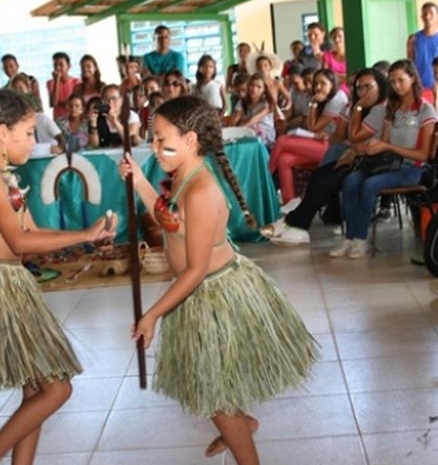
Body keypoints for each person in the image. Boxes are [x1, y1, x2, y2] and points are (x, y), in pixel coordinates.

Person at [118, 95, 318, 465]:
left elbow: (194, 270)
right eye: (153, 139)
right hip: (195, 292)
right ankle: (240, 422)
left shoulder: (201, 190)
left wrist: (153, 315)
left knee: (215, 393)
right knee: (209, 381)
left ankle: (242, 442)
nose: (154, 147)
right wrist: (141, 180)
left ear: (191, 139)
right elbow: (165, 216)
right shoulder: (181, 177)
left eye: (162, 139)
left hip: (213, 291)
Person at [0, 89, 114, 465]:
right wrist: (83, 235)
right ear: (1, 132)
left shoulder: (4, 177)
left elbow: (29, 240)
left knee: (35, 391)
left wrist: (88, 239)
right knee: (57, 389)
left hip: (14, 280)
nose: (33, 140)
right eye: (27, 132)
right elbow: (17, 239)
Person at [262, 68, 389, 245]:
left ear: (381, 86)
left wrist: (357, 110)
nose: (363, 92)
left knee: (289, 145)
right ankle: (297, 217)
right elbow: (334, 134)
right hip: (354, 155)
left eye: (368, 86)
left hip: (375, 162)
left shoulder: (379, 109)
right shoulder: (353, 105)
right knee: (319, 174)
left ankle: (294, 220)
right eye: (359, 88)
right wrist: (316, 104)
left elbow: (353, 136)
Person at [330, 59, 437, 258]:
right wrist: (374, 147)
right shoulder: (392, 108)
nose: (396, 86)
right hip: (389, 164)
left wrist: (386, 146)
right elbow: (385, 145)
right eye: (393, 82)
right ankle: (350, 238)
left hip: (413, 169)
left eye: (401, 80)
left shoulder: (425, 110)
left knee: (370, 185)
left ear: (413, 78)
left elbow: (423, 154)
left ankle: (361, 240)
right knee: (351, 180)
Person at [268, 69, 349, 208]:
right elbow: (309, 125)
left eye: (322, 83)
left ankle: (265, 180)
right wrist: (313, 103)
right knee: (284, 159)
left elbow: (313, 127)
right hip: (319, 143)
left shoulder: (336, 99)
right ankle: (290, 203)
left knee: (282, 141)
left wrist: (313, 103)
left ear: (332, 83)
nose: (318, 87)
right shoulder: (323, 98)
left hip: (334, 148)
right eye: (316, 83)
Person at [230, 73, 276, 149]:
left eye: (259, 87)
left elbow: (254, 119)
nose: (254, 89)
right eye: (252, 85)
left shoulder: (267, 103)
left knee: (249, 141)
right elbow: (234, 120)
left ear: (264, 89)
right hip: (248, 131)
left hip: (265, 135)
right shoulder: (242, 102)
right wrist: (233, 130)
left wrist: (240, 129)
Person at [47, 52, 79, 121]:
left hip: (73, 120)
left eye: (61, 65)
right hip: (58, 121)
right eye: (55, 65)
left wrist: (60, 102)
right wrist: (57, 81)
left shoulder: (76, 82)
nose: (58, 68)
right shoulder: (51, 82)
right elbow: (53, 103)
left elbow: (74, 103)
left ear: (69, 66)